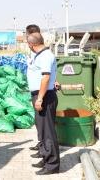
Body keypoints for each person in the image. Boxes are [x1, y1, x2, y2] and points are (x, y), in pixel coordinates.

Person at [27, 32, 60, 175]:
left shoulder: (46, 56)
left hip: (45, 97)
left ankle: (52, 165)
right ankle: (46, 158)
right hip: (40, 95)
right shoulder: (40, 55)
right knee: (43, 131)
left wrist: (40, 98)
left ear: (31, 45)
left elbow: (46, 78)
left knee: (48, 133)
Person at [25, 25, 42, 153]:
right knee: (39, 121)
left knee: (43, 122)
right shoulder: (33, 52)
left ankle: (44, 149)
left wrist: (40, 98)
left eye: (27, 35)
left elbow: (46, 75)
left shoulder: (41, 53)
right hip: (34, 90)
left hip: (41, 92)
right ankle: (41, 143)